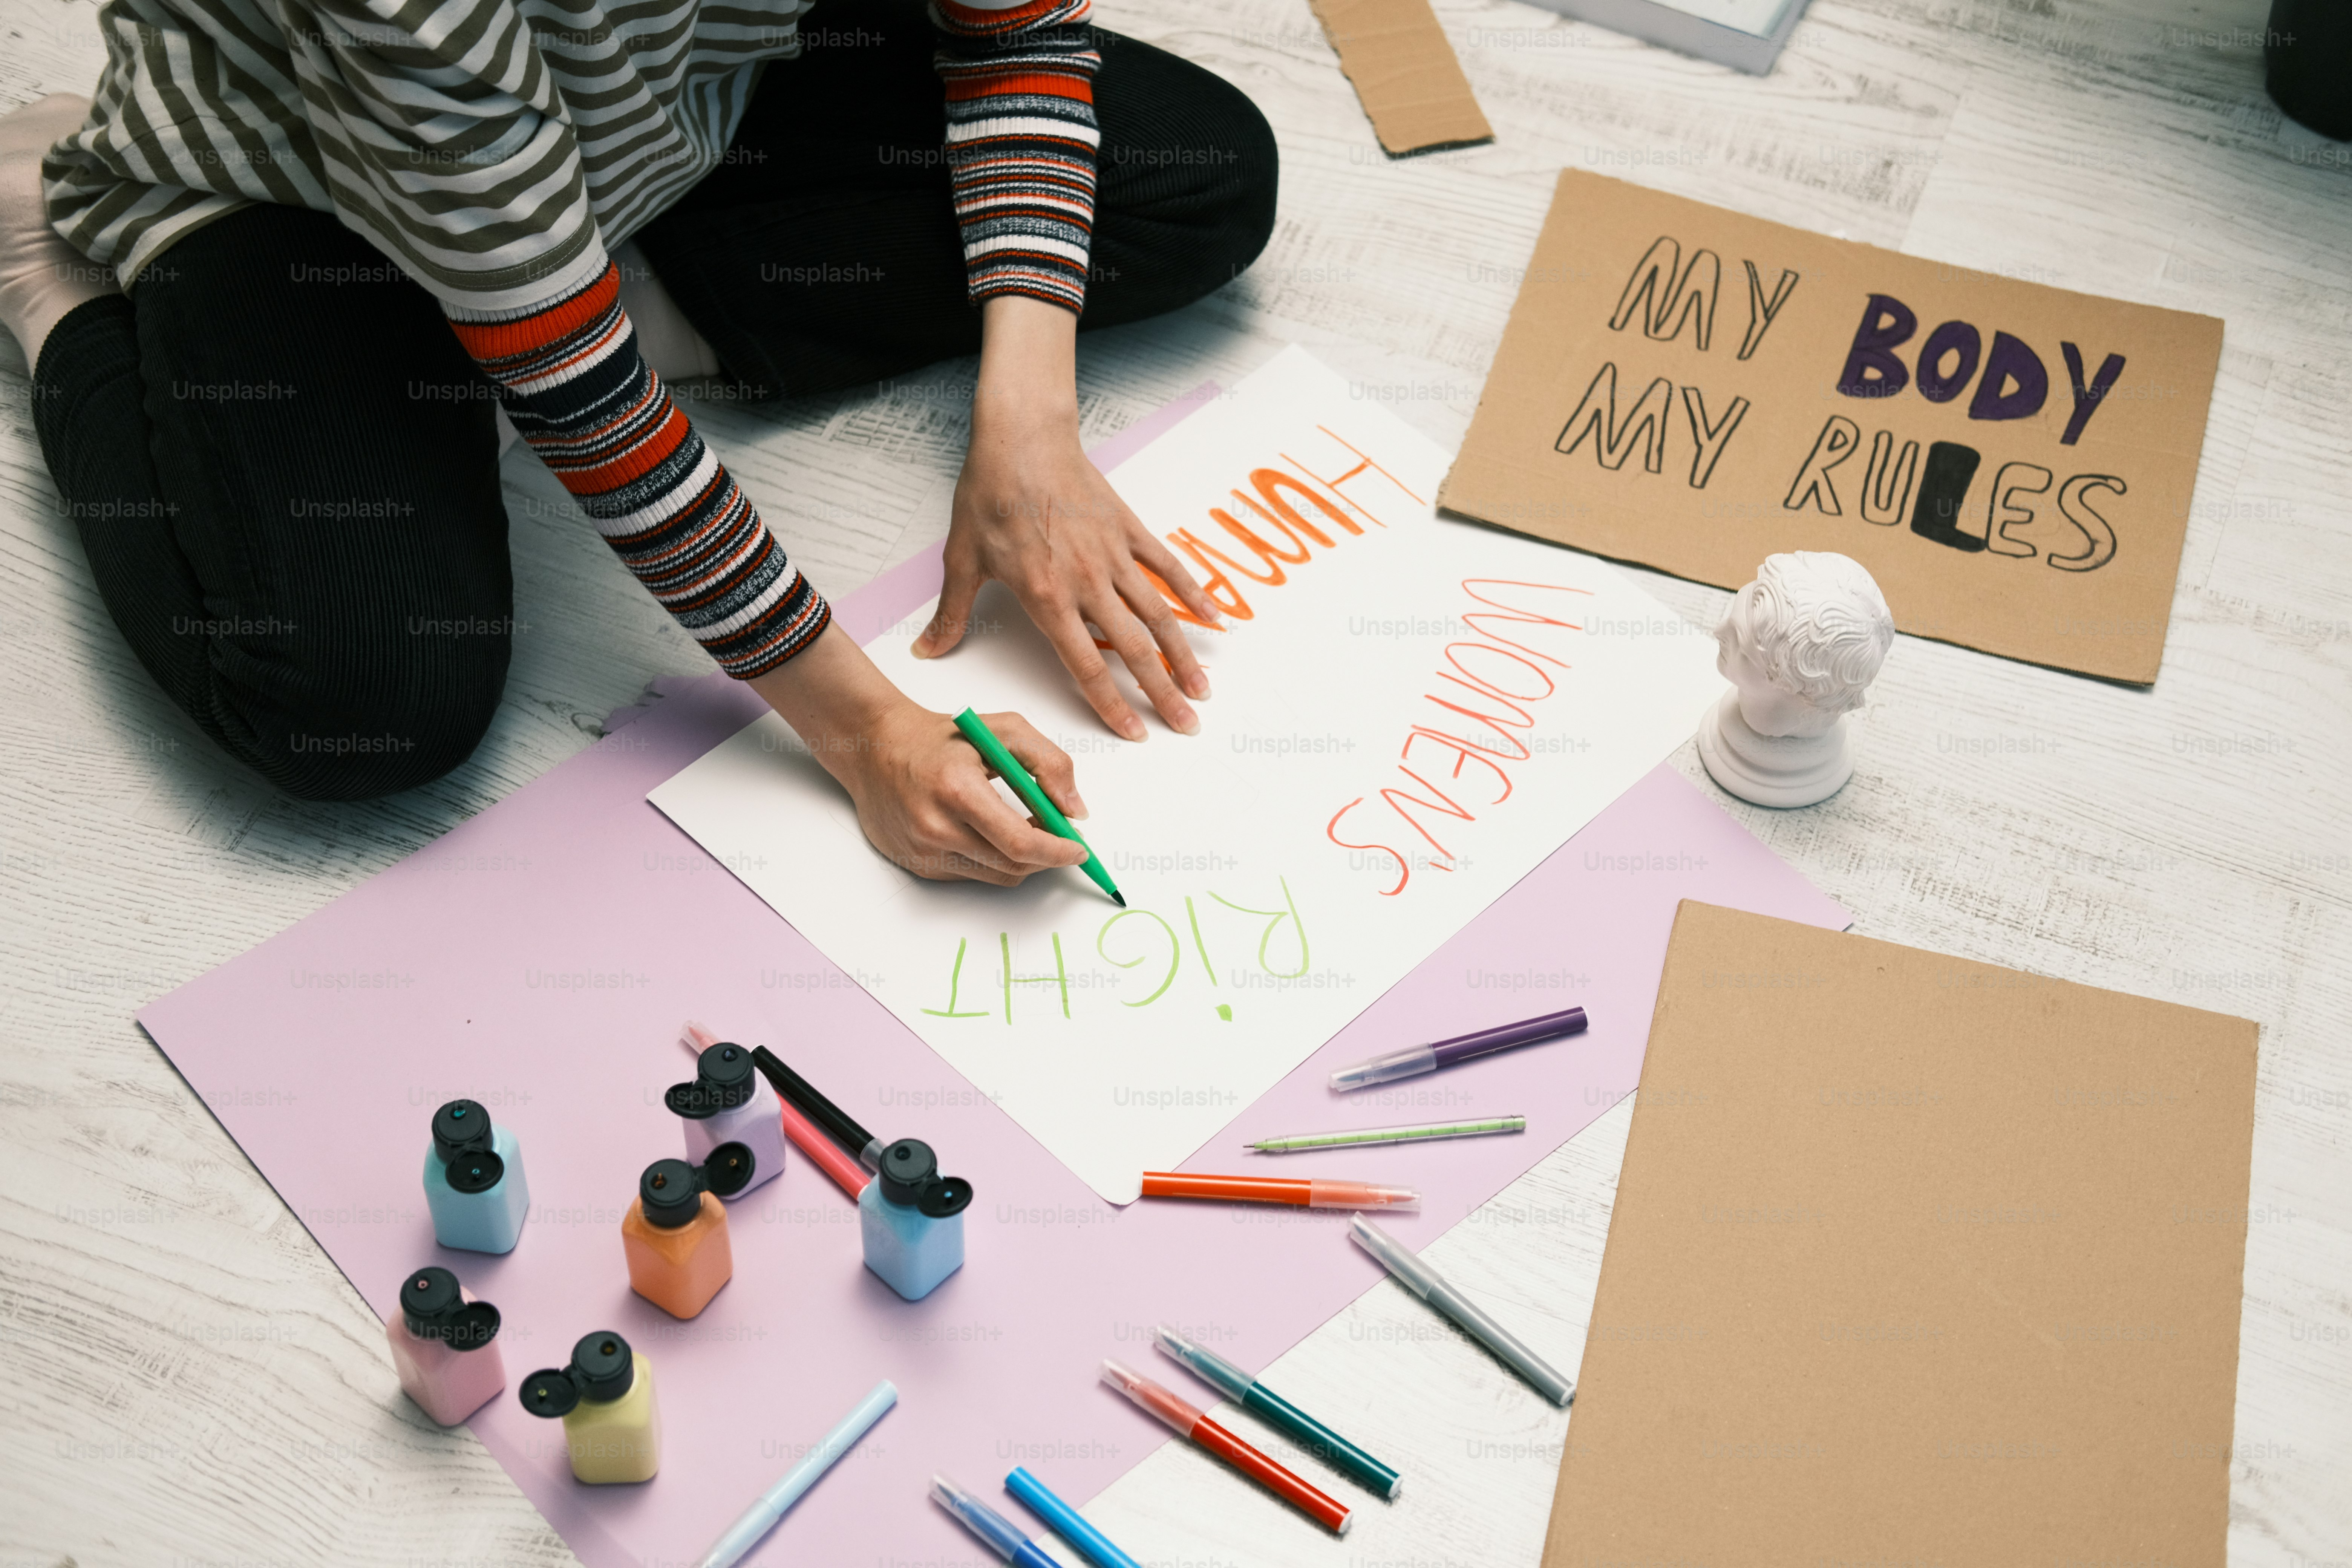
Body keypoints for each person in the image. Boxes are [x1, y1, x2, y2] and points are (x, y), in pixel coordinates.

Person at [0, 0, 1276, 886]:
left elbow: (1016, 35)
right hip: (299, 185)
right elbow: (572, 383)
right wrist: (868, 731)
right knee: (359, 704)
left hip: (665, 111)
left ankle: (556, 307)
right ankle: (61, 289)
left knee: (1194, 173)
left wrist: (1031, 433)